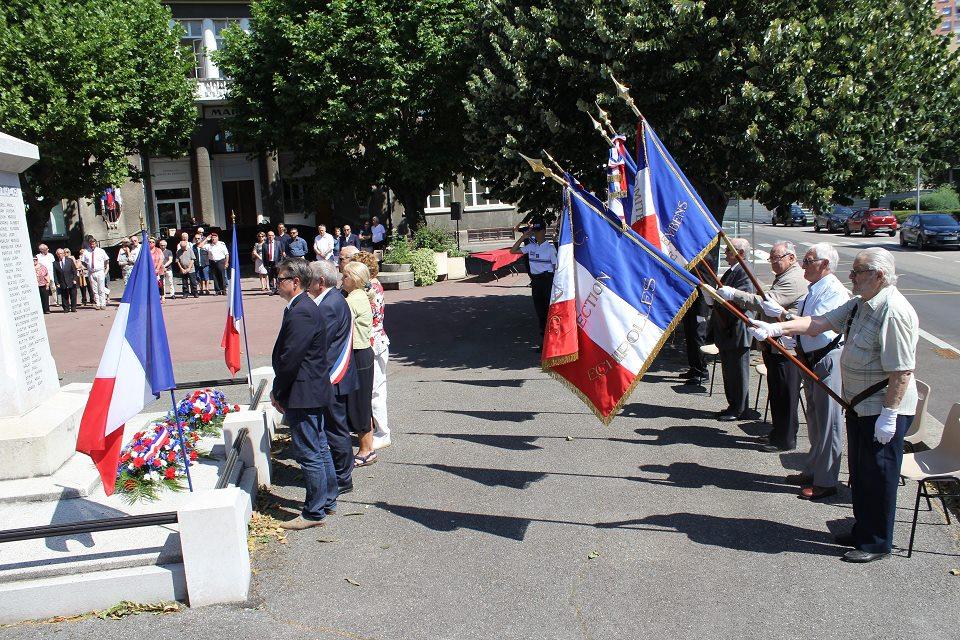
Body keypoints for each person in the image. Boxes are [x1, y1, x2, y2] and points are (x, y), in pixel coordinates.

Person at [749, 247, 919, 563]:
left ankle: (876, 542)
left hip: (882, 408)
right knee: (861, 471)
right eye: (852, 271)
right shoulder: (859, 305)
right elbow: (818, 323)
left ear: (879, 276)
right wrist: (776, 328)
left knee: (878, 475)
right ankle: (862, 530)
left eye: (858, 272)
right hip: (857, 404)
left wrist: (890, 415)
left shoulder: (893, 311)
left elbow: (902, 371)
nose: (851, 277)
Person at [762, 243, 849, 500]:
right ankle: (813, 469)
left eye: (808, 261)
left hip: (826, 358)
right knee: (814, 419)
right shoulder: (815, 288)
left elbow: (816, 325)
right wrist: (783, 316)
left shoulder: (833, 290)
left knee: (829, 422)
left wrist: (779, 326)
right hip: (810, 358)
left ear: (824, 264)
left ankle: (827, 481)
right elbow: (804, 320)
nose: (802, 265)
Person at [717, 240, 806, 450]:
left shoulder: (793, 279)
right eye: (771, 258)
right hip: (775, 344)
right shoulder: (784, 276)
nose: (773, 262)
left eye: (777, 258)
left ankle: (785, 439)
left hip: (787, 347)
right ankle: (778, 433)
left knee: (785, 395)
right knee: (776, 393)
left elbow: (766, 302)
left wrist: (734, 294)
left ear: (791, 258)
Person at [271, 258, 339, 530]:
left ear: (295, 282)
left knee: (310, 452)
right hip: (309, 389)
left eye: (280, 280)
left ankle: (314, 512)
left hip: (303, 391)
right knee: (319, 447)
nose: (277, 285)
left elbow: (291, 359)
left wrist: (278, 390)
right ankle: (327, 500)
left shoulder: (301, 311)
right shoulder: (302, 307)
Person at [309, 260, 359, 494]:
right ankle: (342, 473)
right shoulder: (332, 300)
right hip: (336, 376)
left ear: (320, 282)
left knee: (335, 428)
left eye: (309, 277)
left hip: (333, 377)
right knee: (336, 426)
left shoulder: (329, 305)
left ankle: (342, 477)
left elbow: (322, 344)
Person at [707, 238, 756, 421]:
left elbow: (743, 300)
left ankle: (740, 408)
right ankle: (733, 405)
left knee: (738, 372)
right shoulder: (732, 271)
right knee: (730, 371)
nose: (726, 253)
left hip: (737, 329)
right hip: (728, 328)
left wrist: (722, 298)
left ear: (740, 253)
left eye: (729, 250)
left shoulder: (744, 272)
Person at [342, 261, 377, 467]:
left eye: (345, 276)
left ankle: (366, 449)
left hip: (358, 353)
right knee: (362, 400)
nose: (342, 279)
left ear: (354, 279)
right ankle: (367, 446)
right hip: (363, 352)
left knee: (359, 402)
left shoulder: (352, 300)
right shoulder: (359, 295)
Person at [355, 252, 391, 449]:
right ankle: (376, 429)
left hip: (375, 342)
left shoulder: (372, 288)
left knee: (376, 389)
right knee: (374, 388)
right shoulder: (372, 285)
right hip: (376, 340)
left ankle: (383, 432)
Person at [509, 217, 557, 349]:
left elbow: (556, 268)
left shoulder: (550, 248)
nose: (537, 234)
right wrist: (524, 236)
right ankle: (544, 342)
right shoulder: (531, 246)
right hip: (536, 282)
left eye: (539, 231)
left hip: (547, 281)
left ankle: (553, 341)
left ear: (544, 230)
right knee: (540, 313)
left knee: (549, 312)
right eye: (535, 231)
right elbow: (512, 251)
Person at [81, 237, 110, 310]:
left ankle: (103, 303)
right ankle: (97, 303)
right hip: (91, 272)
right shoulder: (86, 252)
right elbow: (83, 261)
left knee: (101, 288)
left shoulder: (101, 251)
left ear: (96, 244)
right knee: (94, 289)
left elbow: (106, 260)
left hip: (99, 271)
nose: (92, 245)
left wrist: (104, 268)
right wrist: (88, 267)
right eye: (91, 244)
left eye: (93, 244)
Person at [53, 247, 78, 312]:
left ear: (64, 254)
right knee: (64, 296)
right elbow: (55, 274)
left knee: (73, 295)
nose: (59, 255)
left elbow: (74, 270)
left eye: (61, 253)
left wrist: (75, 279)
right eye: (58, 254)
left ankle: (73, 308)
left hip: (71, 280)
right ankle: (66, 308)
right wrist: (57, 283)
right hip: (62, 281)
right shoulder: (55, 263)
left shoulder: (69, 260)